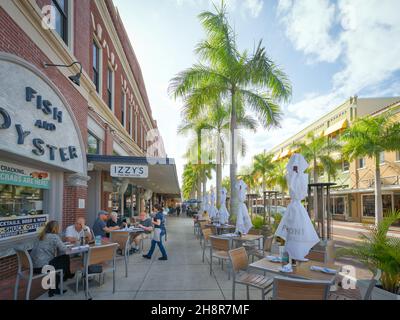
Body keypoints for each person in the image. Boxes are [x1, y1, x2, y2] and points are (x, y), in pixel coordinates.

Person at [30, 220, 74, 297]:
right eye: (58, 227)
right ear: (55, 228)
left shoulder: (40, 236)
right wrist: (74, 248)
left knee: (61, 260)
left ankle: (66, 276)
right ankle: (55, 287)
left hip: (33, 266)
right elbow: (64, 249)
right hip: (44, 267)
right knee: (64, 259)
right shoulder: (54, 237)